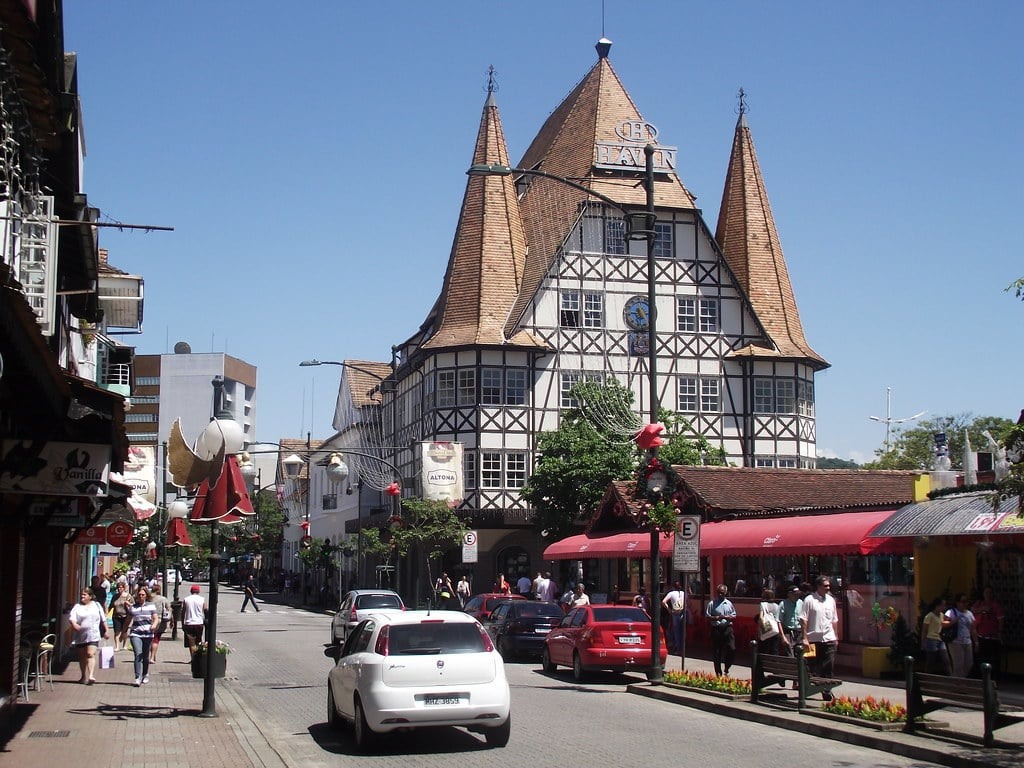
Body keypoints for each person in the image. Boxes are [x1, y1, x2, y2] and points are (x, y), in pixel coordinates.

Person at [800, 575, 839, 699]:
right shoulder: (809, 600)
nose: (828, 588)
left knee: (829, 665)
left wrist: (836, 637)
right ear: (818, 586)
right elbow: (803, 620)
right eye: (825, 585)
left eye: (829, 585)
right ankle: (811, 688)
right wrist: (805, 638)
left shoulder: (831, 600)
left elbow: (834, 620)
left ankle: (826, 690)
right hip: (813, 640)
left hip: (829, 638)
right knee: (813, 666)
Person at [68, 587, 105, 684]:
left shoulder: (96, 605)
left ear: (90, 596)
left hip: (94, 634)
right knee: (82, 656)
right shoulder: (77, 606)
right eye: (82, 594)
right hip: (81, 635)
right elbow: (72, 617)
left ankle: (91, 675)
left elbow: (103, 618)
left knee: (90, 654)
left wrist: (106, 630)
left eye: (84, 595)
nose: (82, 596)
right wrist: (74, 624)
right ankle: (83, 676)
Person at [128, 586, 160, 686]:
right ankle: (137, 677)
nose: (141, 596)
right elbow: (128, 620)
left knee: (145, 656)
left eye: (143, 595)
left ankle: (145, 674)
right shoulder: (133, 607)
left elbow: (155, 618)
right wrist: (124, 632)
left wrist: (154, 625)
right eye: (139, 595)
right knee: (138, 654)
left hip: (148, 634)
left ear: (146, 596)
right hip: (136, 633)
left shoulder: (151, 606)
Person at [971, 586, 1005, 677]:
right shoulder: (979, 603)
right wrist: (982, 609)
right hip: (980, 635)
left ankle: (994, 679)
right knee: (981, 658)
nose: (988, 595)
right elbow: (972, 611)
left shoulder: (995, 605)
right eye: (986, 592)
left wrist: (1000, 632)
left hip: (992, 636)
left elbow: (1001, 619)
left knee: (993, 659)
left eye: (989, 592)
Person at [705, 584, 736, 676]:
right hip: (717, 629)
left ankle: (727, 667)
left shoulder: (729, 604)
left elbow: (734, 615)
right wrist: (717, 618)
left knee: (731, 648)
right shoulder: (712, 603)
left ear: (725, 593)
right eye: (718, 593)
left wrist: (728, 617)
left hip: (727, 628)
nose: (720, 595)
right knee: (717, 652)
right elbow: (707, 616)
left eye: (722, 593)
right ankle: (718, 672)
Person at [945, 592, 979, 678]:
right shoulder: (951, 612)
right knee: (958, 664)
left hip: (967, 641)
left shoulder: (969, 614)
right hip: (955, 641)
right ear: (957, 602)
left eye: (966, 601)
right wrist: (954, 620)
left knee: (969, 663)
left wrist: (976, 642)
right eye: (963, 601)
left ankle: (960, 681)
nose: (965, 604)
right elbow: (943, 623)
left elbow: (973, 628)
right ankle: (957, 685)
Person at [921, 597, 952, 675]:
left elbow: (946, 622)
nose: (943, 607)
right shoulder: (929, 616)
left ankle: (951, 678)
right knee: (931, 661)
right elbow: (924, 630)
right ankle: (927, 678)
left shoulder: (942, 615)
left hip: (940, 639)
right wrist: (923, 642)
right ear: (937, 606)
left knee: (946, 660)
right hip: (931, 639)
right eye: (942, 605)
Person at [778, 584, 803, 658]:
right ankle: (792, 668)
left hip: (799, 632)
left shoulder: (801, 603)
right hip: (788, 632)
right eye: (795, 594)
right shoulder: (783, 604)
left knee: (801, 655)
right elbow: (779, 621)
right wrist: (782, 636)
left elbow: (804, 619)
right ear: (789, 594)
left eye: (798, 594)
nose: (797, 596)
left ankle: (800, 669)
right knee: (790, 655)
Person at [661, 581, 686, 653]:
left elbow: (663, 602)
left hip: (675, 613)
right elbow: (688, 603)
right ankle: (682, 647)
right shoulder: (683, 593)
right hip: (683, 612)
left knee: (676, 631)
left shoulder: (671, 593)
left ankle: (678, 648)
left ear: (673, 587)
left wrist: (669, 609)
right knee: (682, 631)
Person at [757, 588, 782, 656]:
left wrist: (760, 630)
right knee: (774, 650)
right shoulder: (777, 606)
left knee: (764, 650)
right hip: (775, 630)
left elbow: (761, 618)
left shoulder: (763, 604)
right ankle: (774, 664)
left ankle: (764, 665)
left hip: (767, 628)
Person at [149, 584, 171, 662]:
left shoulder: (149, 599)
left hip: (149, 620)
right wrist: (171, 620)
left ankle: (153, 655)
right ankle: (152, 657)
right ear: (159, 590)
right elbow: (169, 609)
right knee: (156, 638)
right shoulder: (163, 599)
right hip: (160, 620)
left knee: (150, 638)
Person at [182, 585, 207, 655]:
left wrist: (182, 623)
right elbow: (205, 609)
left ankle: (193, 658)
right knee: (198, 642)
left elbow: (183, 612)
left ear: (191, 591)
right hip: (199, 622)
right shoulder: (202, 599)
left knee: (191, 643)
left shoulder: (186, 599)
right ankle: (197, 657)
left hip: (189, 623)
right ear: (198, 591)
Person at [110, 581, 133, 651]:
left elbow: (133, 605)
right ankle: (117, 646)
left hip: (125, 616)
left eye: (121, 587)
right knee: (117, 631)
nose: (119, 589)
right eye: (118, 587)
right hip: (116, 616)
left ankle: (124, 645)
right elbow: (111, 605)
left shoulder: (128, 596)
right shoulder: (115, 596)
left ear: (124, 588)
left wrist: (128, 603)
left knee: (124, 631)